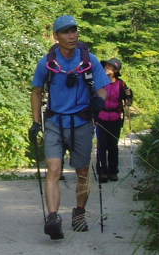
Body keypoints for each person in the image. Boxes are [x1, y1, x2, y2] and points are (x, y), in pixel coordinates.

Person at [29, 15, 110, 240]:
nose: (72, 35)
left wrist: (100, 101)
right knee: (54, 170)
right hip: (55, 122)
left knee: (83, 172)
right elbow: (36, 92)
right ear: (56, 36)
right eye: (66, 31)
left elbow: (103, 88)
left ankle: (79, 213)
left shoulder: (90, 60)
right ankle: (53, 217)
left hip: (82, 122)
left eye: (74, 30)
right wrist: (36, 122)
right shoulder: (47, 63)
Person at [95, 58, 133, 183]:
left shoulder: (121, 84)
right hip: (101, 117)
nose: (108, 68)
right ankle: (102, 172)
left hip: (116, 118)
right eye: (107, 66)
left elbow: (128, 98)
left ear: (116, 71)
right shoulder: (99, 82)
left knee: (113, 146)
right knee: (101, 146)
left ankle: (113, 171)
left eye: (111, 67)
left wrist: (128, 98)